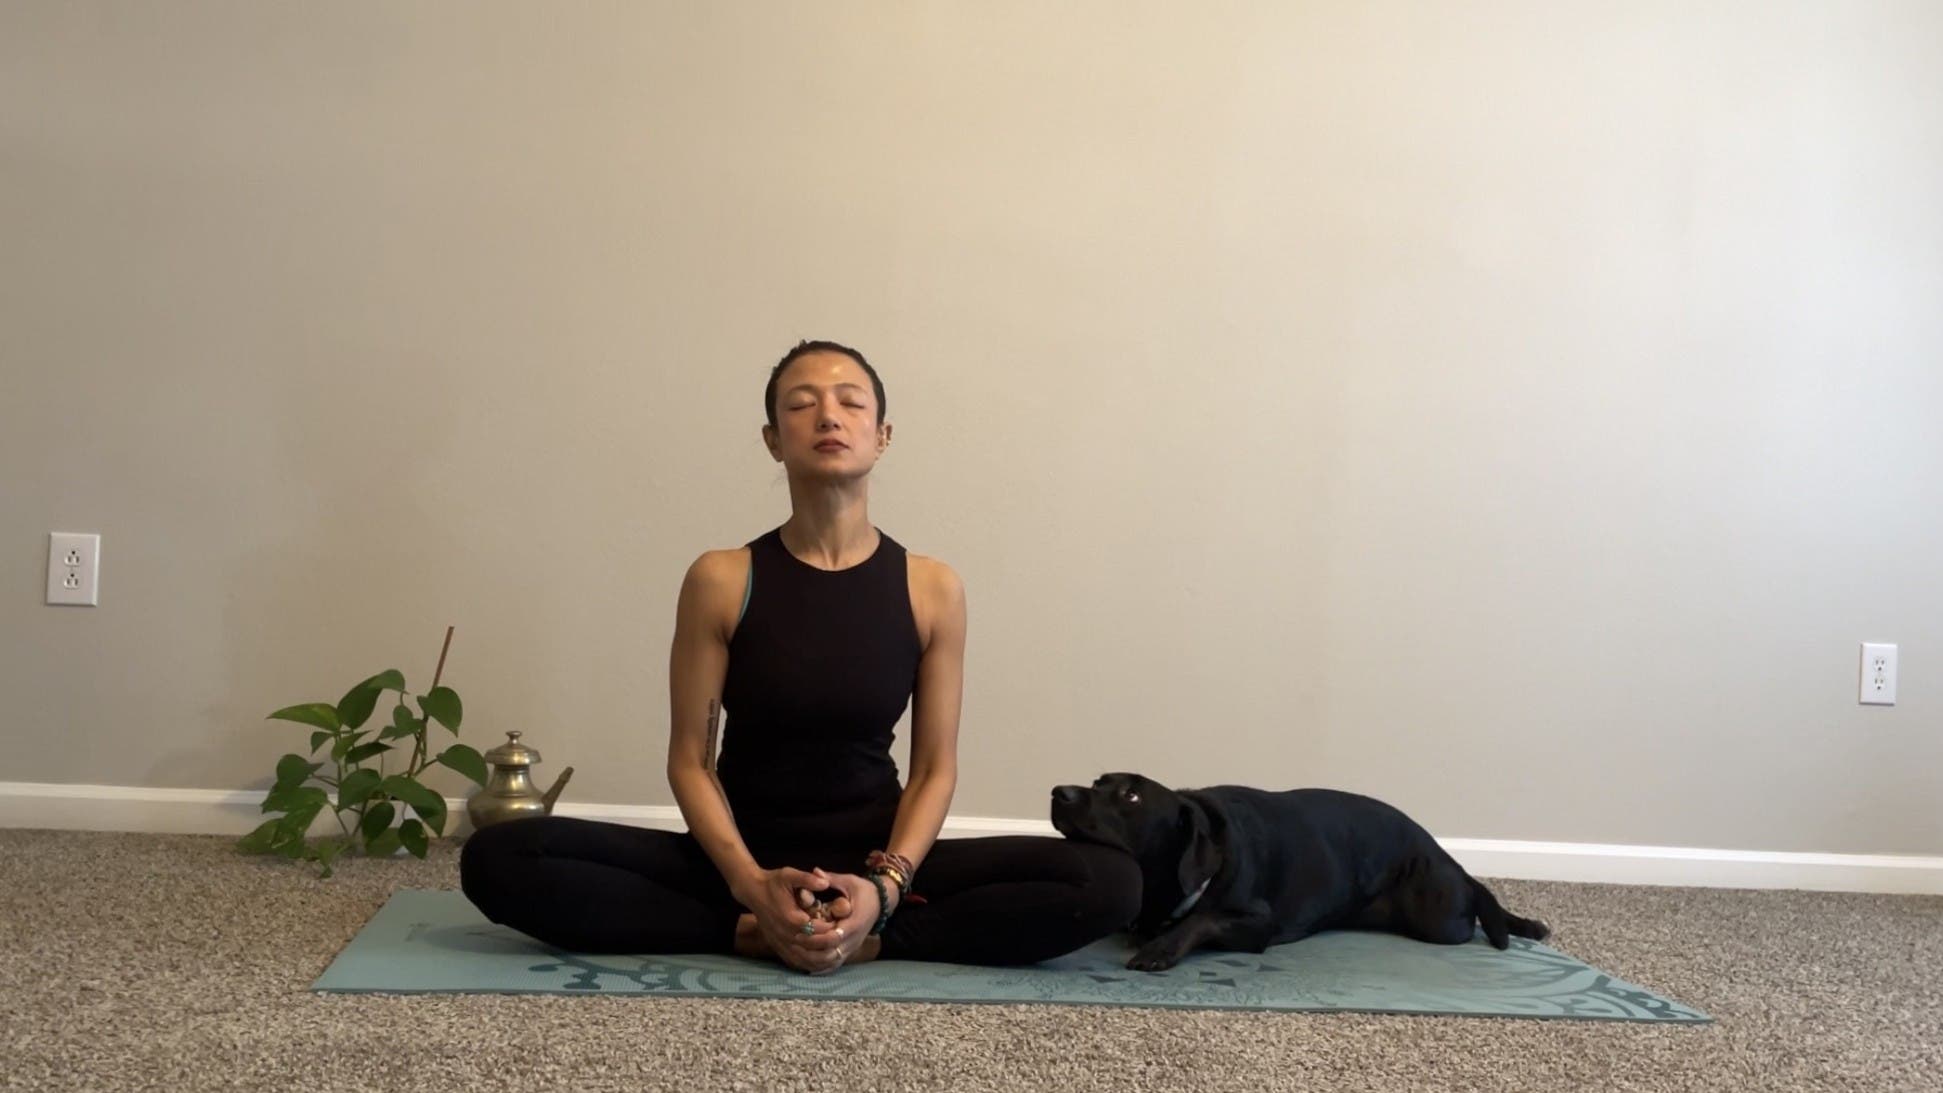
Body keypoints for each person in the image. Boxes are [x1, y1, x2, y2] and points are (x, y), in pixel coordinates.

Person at [460, 339, 1141, 972]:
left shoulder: (932, 587)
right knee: (501, 855)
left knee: (1109, 883)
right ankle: (751, 927)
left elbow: (934, 767)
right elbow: (690, 762)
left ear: (882, 435)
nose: (827, 414)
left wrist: (884, 887)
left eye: (850, 401)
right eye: (801, 403)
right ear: (773, 441)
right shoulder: (721, 578)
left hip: (876, 855)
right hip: (738, 853)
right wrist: (751, 885)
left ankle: (869, 933)